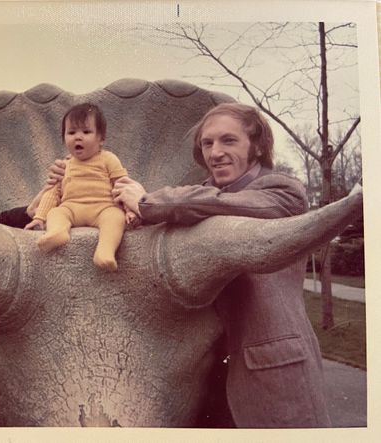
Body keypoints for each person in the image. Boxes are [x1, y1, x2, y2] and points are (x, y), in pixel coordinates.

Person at [112, 102, 331, 428]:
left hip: (269, 370)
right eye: (208, 143)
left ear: (256, 146)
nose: (216, 152)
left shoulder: (283, 191)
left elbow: (217, 206)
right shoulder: (192, 199)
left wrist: (147, 202)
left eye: (229, 141)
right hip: (201, 374)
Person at [24, 103, 136, 272]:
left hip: (103, 208)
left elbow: (122, 185)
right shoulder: (65, 164)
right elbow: (52, 194)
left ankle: (105, 251)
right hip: (72, 208)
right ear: (64, 139)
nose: (78, 137)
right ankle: (57, 233)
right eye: (71, 132)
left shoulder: (108, 159)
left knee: (115, 218)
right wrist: (39, 218)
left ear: (101, 139)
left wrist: (130, 210)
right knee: (56, 213)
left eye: (86, 132)